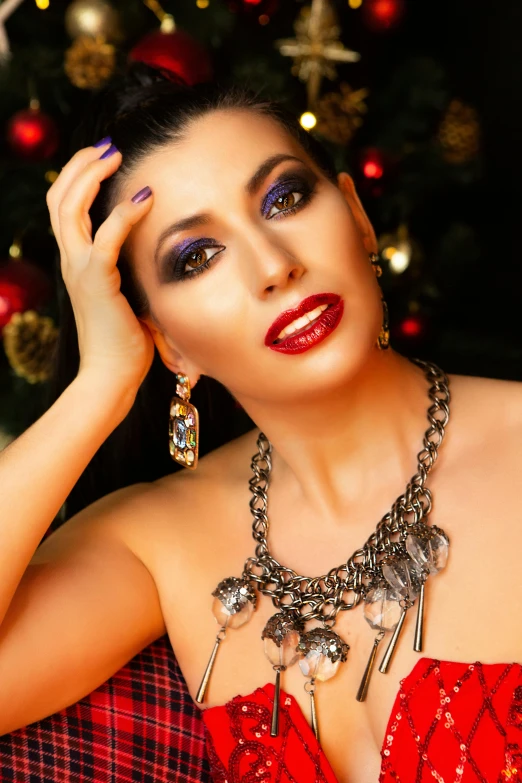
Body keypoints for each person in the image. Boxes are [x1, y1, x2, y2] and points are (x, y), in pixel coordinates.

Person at [0, 61, 521, 783]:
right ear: (167, 340)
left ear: (358, 218)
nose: (273, 266)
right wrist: (100, 386)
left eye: (284, 198)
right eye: (197, 257)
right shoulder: (160, 540)